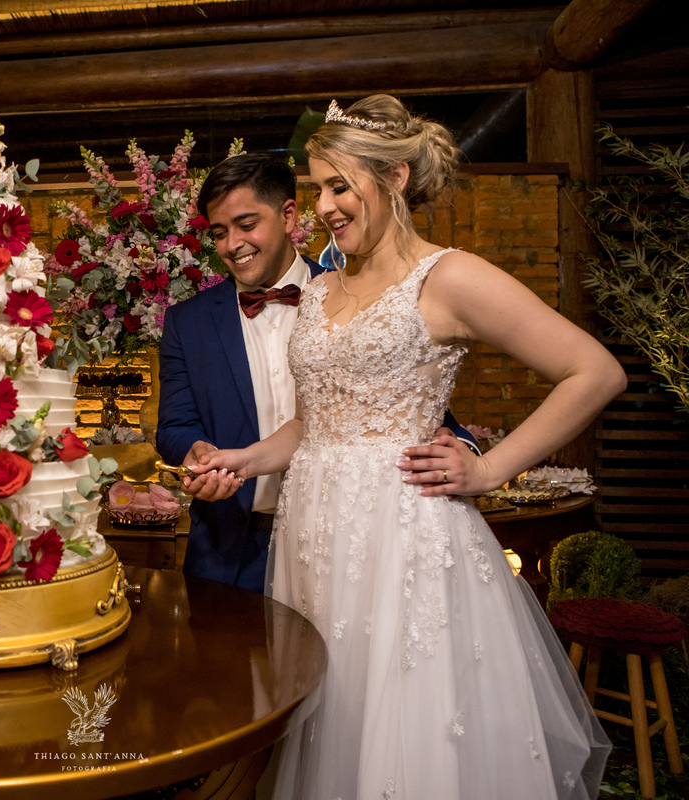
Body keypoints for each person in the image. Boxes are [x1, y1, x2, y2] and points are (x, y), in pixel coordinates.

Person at [196, 95, 621, 799]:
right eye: (317, 188)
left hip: (402, 543)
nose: (326, 205)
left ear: (393, 177)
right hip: (312, 543)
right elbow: (319, 423)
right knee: (331, 725)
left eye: (340, 184)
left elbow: (595, 372)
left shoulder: (448, 278)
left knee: (404, 729)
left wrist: (489, 468)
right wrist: (244, 460)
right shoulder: (324, 286)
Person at [156, 152, 476, 592]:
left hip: (347, 540)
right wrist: (197, 451)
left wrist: (464, 448)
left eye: (247, 225)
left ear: (289, 216)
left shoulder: (360, 294)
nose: (232, 244)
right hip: (230, 547)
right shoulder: (186, 322)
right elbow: (173, 425)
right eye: (219, 233)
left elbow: (410, 394)